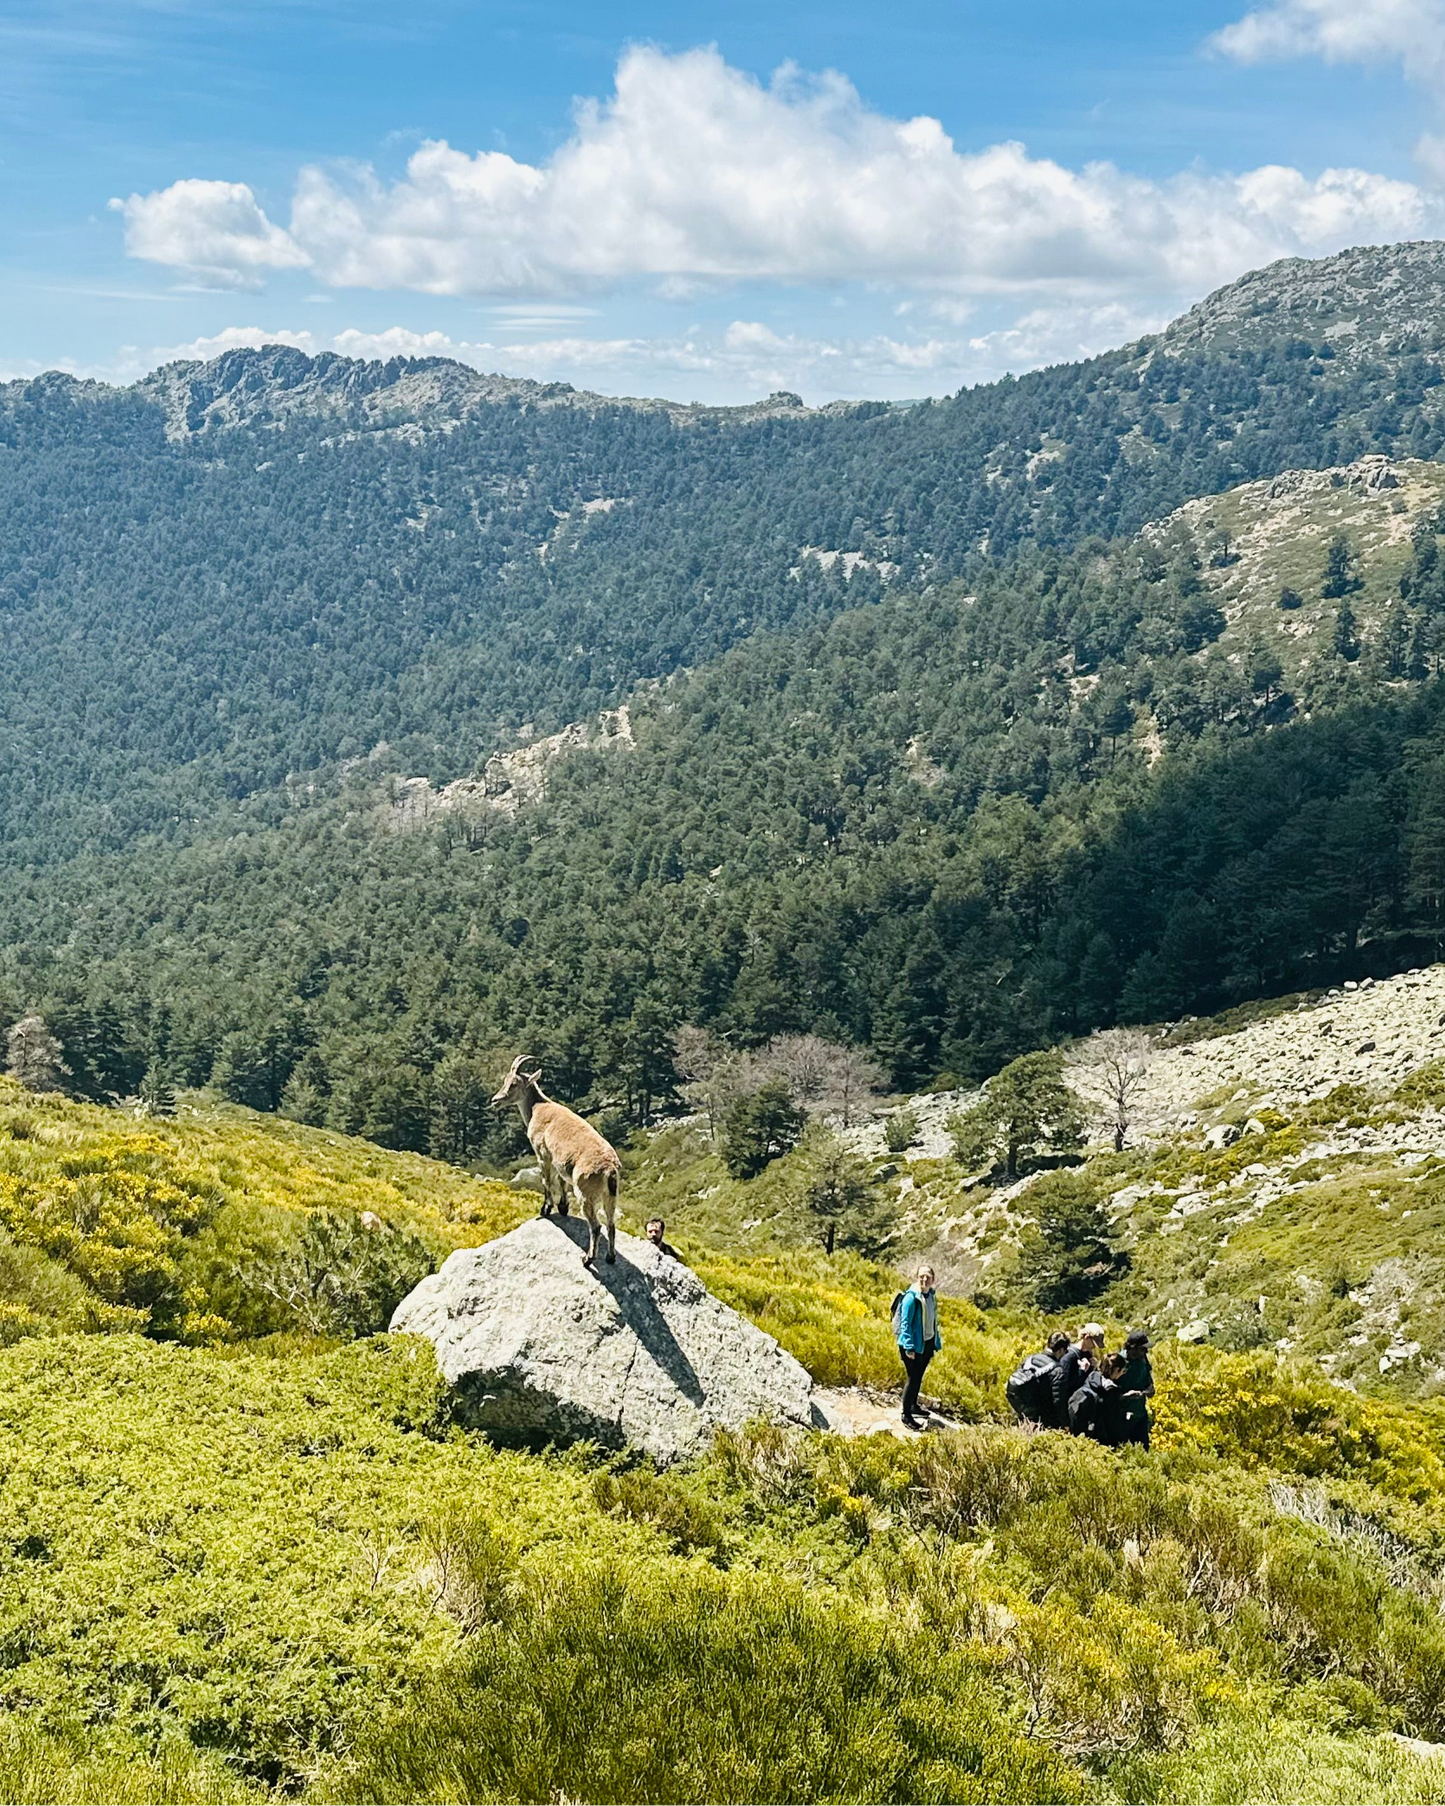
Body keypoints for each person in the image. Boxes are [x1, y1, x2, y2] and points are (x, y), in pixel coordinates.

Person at [896, 1265, 942, 1431]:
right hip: (913, 1345)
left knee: (919, 1376)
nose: (924, 1279)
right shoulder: (911, 1297)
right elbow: (905, 1324)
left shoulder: (930, 1295)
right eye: (921, 1276)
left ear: (933, 1279)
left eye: (928, 1277)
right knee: (913, 1378)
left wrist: (936, 1341)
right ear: (917, 1277)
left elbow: (933, 1319)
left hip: (926, 1343)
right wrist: (909, 1347)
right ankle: (906, 1414)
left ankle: (914, 1405)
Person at [1006, 1330, 1071, 1427]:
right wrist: (1065, 1423)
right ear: (1061, 1350)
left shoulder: (1030, 1358)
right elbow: (1058, 1401)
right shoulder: (1057, 1370)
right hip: (1040, 1416)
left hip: (1019, 1404)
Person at [1049, 1323, 1105, 1430]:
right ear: (1086, 1338)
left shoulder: (1088, 1354)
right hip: (1070, 1407)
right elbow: (1063, 1387)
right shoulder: (1069, 1356)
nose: (1094, 1347)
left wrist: (1093, 1368)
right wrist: (1082, 1371)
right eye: (1093, 1343)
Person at [1068, 1351, 1126, 1446]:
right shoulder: (1111, 1392)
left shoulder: (1090, 1378)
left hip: (1081, 1435)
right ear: (1116, 1370)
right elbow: (1112, 1422)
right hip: (1099, 1439)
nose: (1123, 1373)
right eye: (1122, 1370)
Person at [1118, 1329, 1155, 1449]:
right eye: (1143, 1349)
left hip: (1140, 1415)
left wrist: (1149, 1390)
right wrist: (1125, 1396)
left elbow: (1149, 1381)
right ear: (1133, 1348)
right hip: (1121, 1418)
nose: (1146, 1351)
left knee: (1143, 1450)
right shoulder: (1118, 1361)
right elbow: (1107, 1393)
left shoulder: (1143, 1360)